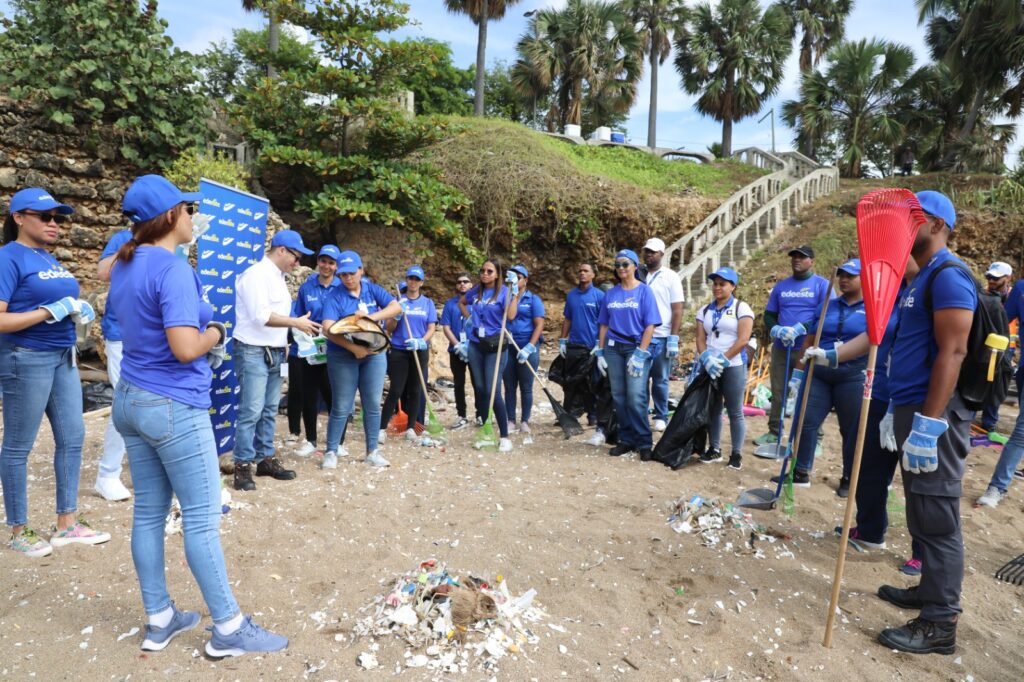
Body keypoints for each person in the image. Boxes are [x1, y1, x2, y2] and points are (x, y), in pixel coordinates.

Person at [109, 174, 286, 657]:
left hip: (131, 398)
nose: (194, 218)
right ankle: (228, 628)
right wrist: (214, 330)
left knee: (147, 515)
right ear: (170, 216)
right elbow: (186, 348)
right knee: (202, 520)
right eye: (188, 210)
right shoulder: (172, 269)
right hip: (172, 404)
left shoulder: (124, 263)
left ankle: (160, 617)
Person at [875, 190, 976, 655]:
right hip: (911, 407)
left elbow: (953, 352)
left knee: (937, 518)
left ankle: (939, 624)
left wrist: (928, 423)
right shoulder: (920, 278)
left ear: (936, 224)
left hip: (932, 414)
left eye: (909, 219)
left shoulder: (950, 276)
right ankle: (928, 591)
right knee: (920, 510)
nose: (901, 227)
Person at [0, 187, 109, 558]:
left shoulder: (49, 259)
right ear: (18, 218)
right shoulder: (8, 258)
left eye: (58, 218)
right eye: (44, 216)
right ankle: (18, 529)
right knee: (19, 445)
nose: (54, 224)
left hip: (63, 357)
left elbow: (58, 303)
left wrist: (75, 309)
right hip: (25, 357)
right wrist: (49, 311)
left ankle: (67, 524)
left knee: (73, 437)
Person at [806, 258, 925, 573]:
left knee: (916, 478)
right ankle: (870, 531)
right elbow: (874, 336)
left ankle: (923, 551)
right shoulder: (889, 294)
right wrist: (832, 355)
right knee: (865, 463)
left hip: (914, 399)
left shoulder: (934, 286)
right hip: (880, 391)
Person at [231, 229, 320, 491]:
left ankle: (265, 458)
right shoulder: (255, 275)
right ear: (281, 250)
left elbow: (276, 318)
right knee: (251, 411)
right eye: (296, 256)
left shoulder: (279, 277)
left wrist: (286, 343)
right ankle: (242, 466)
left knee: (269, 410)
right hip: (253, 351)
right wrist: (296, 323)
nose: (298, 263)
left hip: (275, 351)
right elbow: (261, 316)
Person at [785, 259, 866, 497]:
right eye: (841, 274)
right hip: (819, 373)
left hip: (852, 375)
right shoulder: (827, 306)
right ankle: (800, 471)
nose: (844, 279)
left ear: (864, 279)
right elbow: (809, 340)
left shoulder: (872, 308)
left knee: (851, 429)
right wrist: (798, 373)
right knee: (806, 421)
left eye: (851, 275)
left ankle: (849, 477)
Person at [320, 250, 402, 468]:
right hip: (342, 355)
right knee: (341, 405)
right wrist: (352, 348)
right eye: (343, 274)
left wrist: (370, 319)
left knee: (373, 403)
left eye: (351, 273)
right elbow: (328, 328)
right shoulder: (334, 296)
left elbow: (396, 307)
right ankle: (331, 451)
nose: (348, 278)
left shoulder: (372, 290)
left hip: (374, 354)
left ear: (360, 270)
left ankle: (372, 451)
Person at [754, 245, 831, 447]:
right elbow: (770, 314)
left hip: (808, 347)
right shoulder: (781, 287)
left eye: (802, 257)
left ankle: (815, 438)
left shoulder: (822, 285)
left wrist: (801, 328)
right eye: (794, 257)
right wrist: (777, 329)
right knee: (778, 390)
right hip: (782, 346)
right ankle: (774, 432)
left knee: (809, 392)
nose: (797, 260)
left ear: (811, 261)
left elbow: (826, 314)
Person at [594, 249, 661, 459]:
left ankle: (644, 442)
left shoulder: (644, 291)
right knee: (619, 397)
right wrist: (600, 351)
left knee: (636, 396)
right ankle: (626, 439)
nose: (621, 268)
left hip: (635, 347)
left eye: (625, 264)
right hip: (613, 349)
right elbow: (604, 325)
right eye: (617, 265)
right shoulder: (611, 294)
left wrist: (641, 353)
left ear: (634, 266)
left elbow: (650, 325)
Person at [694, 267, 754, 470]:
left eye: (723, 284)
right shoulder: (705, 310)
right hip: (711, 365)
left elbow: (743, 339)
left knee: (735, 409)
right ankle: (715, 448)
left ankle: (736, 453)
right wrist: (706, 358)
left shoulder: (741, 308)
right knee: (714, 408)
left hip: (733, 365)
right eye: (715, 283)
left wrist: (724, 359)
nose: (717, 287)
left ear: (733, 286)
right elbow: (700, 338)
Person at [459, 258, 519, 453]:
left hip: (496, 344)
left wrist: (514, 294)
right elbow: (462, 302)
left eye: (490, 271)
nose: (485, 274)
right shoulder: (476, 291)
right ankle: (486, 430)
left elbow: (510, 316)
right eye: (483, 270)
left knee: (493, 390)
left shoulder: (504, 292)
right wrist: (470, 319)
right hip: (476, 344)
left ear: (497, 274)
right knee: (481, 389)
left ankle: (504, 436)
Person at [287, 244, 341, 457]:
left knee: (334, 395)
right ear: (318, 261)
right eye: (323, 261)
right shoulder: (307, 288)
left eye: (331, 263)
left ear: (336, 266)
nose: (326, 266)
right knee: (308, 394)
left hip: (336, 347)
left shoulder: (341, 288)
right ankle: (310, 440)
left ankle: (338, 442)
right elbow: (299, 316)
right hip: (311, 347)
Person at [95, 227, 134, 501]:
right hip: (122, 333)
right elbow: (103, 273)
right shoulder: (124, 237)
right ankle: (107, 474)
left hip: (154, 334)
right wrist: (133, 244)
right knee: (125, 400)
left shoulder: (172, 244)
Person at [381, 265, 438, 441]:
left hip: (419, 350)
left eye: (416, 279)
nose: (413, 282)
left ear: (421, 282)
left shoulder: (428, 303)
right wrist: (396, 317)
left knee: (416, 390)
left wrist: (422, 341)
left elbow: (431, 327)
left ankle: (411, 428)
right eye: (410, 278)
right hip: (399, 351)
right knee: (396, 389)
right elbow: (389, 329)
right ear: (406, 280)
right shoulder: (397, 301)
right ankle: (381, 429)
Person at [641, 238, 684, 432]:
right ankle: (641, 414)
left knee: (660, 379)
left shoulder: (670, 276)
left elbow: (677, 308)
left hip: (662, 335)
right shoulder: (638, 274)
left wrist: (673, 337)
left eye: (653, 252)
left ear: (662, 254)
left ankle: (660, 415)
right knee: (640, 380)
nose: (649, 254)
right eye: (647, 251)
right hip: (640, 336)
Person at [559, 262, 605, 445]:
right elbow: (568, 319)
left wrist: (599, 343)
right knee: (572, 382)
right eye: (580, 271)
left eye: (586, 271)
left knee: (593, 382)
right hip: (575, 345)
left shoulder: (600, 296)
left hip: (592, 346)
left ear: (593, 274)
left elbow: (604, 322)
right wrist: (563, 340)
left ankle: (593, 415)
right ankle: (571, 413)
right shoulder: (572, 295)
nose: (582, 273)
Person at [502, 264, 545, 445]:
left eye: (519, 276)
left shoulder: (533, 299)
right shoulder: (504, 297)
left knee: (526, 386)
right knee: (510, 386)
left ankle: (525, 420)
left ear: (525, 280)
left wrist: (530, 346)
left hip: (527, 346)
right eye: (512, 276)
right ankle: (510, 419)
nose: (515, 279)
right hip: (508, 345)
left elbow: (539, 324)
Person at [977, 261, 1013, 438]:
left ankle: (989, 423)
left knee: (998, 383)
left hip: (1007, 348)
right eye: (989, 277)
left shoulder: (1015, 298)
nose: (991, 280)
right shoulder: (984, 295)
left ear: (1007, 278)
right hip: (987, 347)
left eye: (996, 278)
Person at [441, 272, 476, 429]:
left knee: (478, 383)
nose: (462, 284)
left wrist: (472, 344)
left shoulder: (477, 303)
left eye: (466, 281)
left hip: (475, 349)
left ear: (471, 285)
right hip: (456, 350)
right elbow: (446, 327)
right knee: (459, 383)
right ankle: (461, 416)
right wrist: (457, 345)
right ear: (456, 285)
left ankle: (481, 414)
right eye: (459, 281)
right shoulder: (450, 304)